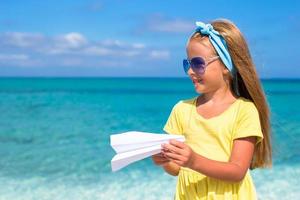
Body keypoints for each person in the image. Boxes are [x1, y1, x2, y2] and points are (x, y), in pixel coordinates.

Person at [152, 19, 272, 200]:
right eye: (188, 64)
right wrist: (165, 161)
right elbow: (176, 170)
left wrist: (193, 160)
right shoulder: (181, 110)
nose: (190, 71)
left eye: (198, 64)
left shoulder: (245, 111)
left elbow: (238, 170)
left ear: (226, 65)